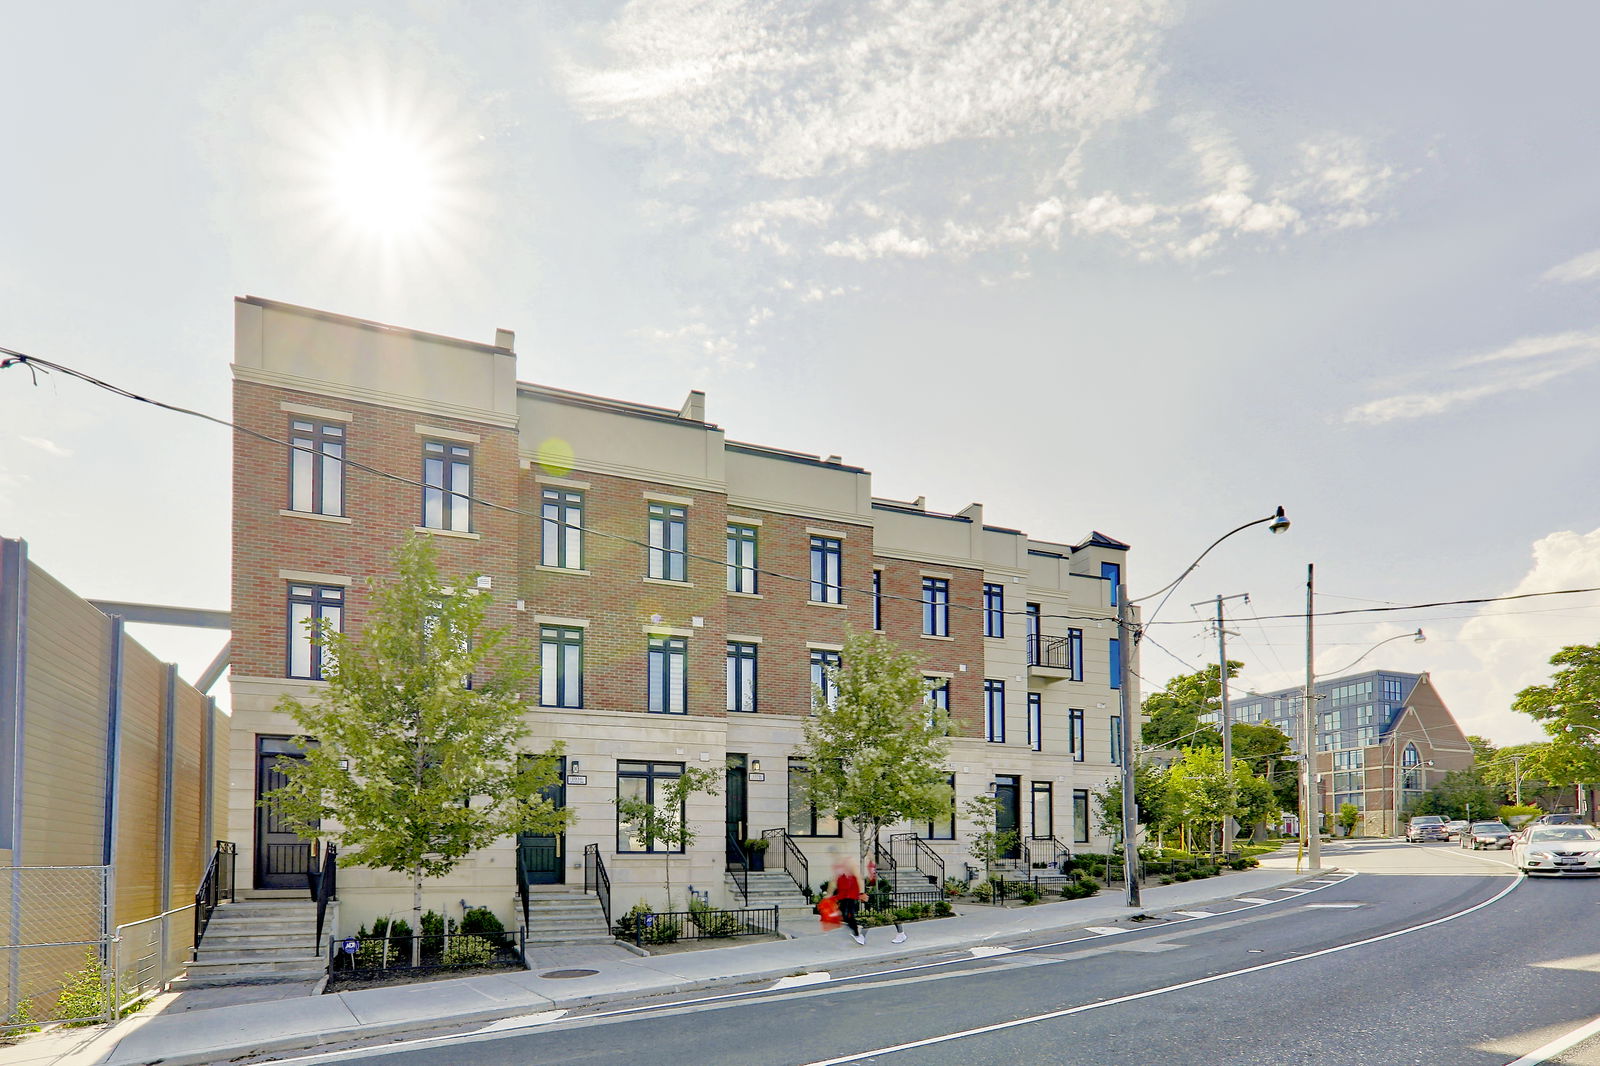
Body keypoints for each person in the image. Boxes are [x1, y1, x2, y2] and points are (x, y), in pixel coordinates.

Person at [866, 859, 907, 944]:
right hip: (878, 899)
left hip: (885, 900)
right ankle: (860, 936)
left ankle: (901, 933)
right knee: (870, 917)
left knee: (892, 915)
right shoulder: (874, 876)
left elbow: (886, 887)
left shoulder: (884, 883)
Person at [832, 858, 865, 945]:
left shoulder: (853, 878)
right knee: (845, 916)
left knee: (850, 915)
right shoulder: (841, 878)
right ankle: (852, 928)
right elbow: (840, 889)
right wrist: (837, 898)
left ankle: (857, 933)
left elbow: (855, 888)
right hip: (844, 899)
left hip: (851, 899)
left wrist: (857, 896)